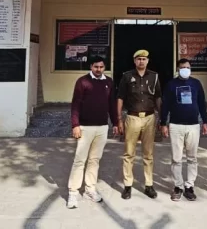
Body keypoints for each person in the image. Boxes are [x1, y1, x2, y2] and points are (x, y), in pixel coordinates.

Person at [67, 56, 118, 209]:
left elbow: (112, 105)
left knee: (94, 160)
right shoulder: (82, 81)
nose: (98, 69)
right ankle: (73, 192)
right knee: (79, 160)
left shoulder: (109, 82)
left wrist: (115, 123)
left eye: (101, 67)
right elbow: (75, 104)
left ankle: (90, 189)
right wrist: (75, 125)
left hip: (102, 127)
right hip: (84, 127)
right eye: (96, 67)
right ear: (91, 66)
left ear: (104, 67)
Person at [160, 58, 207, 201]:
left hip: (193, 125)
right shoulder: (171, 84)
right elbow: (165, 105)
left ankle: (189, 186)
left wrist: (205, 121)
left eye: (187, 67)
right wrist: (163, 123)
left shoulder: (196, 83)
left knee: (192, 158)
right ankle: (178, 186)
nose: (185, 69)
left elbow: (201, 103)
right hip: (176, 125)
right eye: (182, 67)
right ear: (178, 69)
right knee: (176, 158)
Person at [116, 49, 162, 200]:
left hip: (149, 117)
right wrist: (119, 119)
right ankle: (127, 185)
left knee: (148, 154)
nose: (141, 61)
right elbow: (120, 97)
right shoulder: (127, 76)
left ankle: (149, 185)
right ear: (134, 61)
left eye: (144, 59)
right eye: (139, 59)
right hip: (132, 117)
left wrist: (162, 119)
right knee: (129, 153)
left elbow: (158, 97)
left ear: (147, 61)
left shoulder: (154, 76)